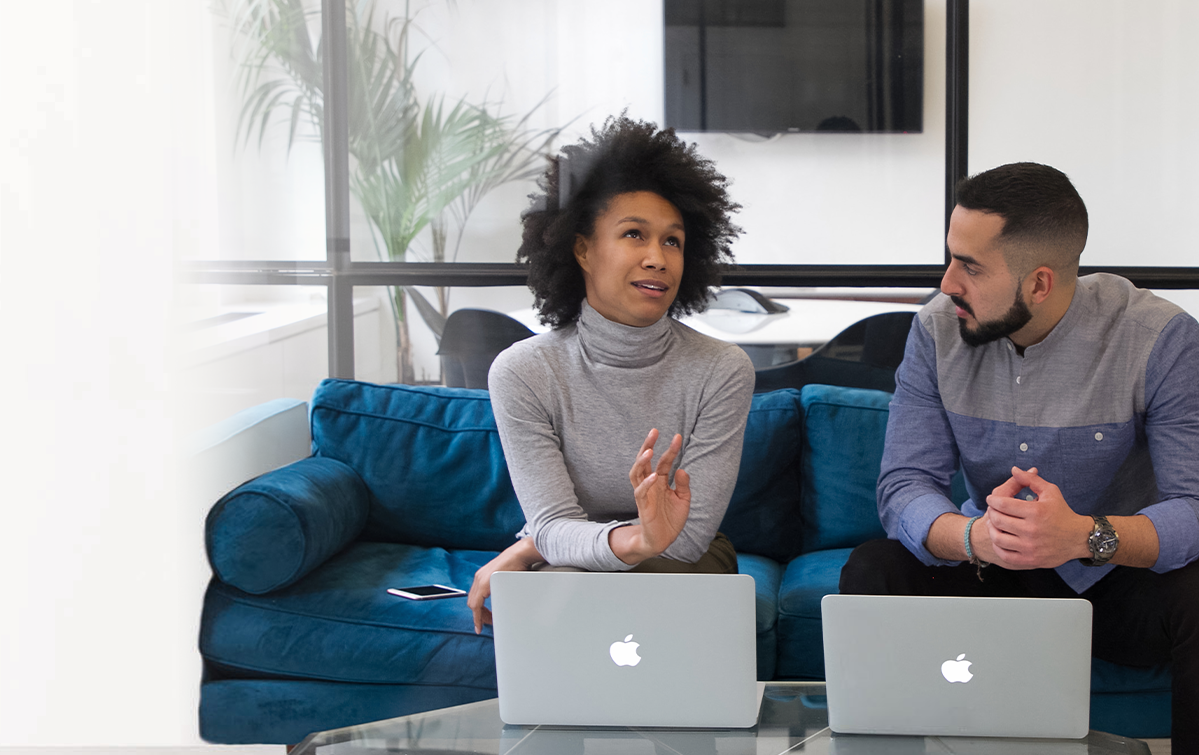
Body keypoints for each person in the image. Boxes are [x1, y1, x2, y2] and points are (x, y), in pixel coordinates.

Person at [839, 162, 1199, 752]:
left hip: (1108, 579)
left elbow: (1193, 506)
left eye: (970, 266)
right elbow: (904, 483)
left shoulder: (1159, 339)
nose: (947, 281)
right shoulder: (935, 331)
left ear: (1039, 283)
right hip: (986, 566)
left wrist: (1084, 536)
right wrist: (975, 537)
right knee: (874, 567)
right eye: (951, 256)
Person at [466, 115, 754, 633]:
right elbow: (553, 524)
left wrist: (538, 547)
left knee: (567, 590)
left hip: (685, 565)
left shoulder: (721, 369)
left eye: (672, 242)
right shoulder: (524, 372)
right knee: (554, 596)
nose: (657, 258)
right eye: (633, 235)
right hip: (578, 561)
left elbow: (686, 539)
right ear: (582, 249)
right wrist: (601, 539)